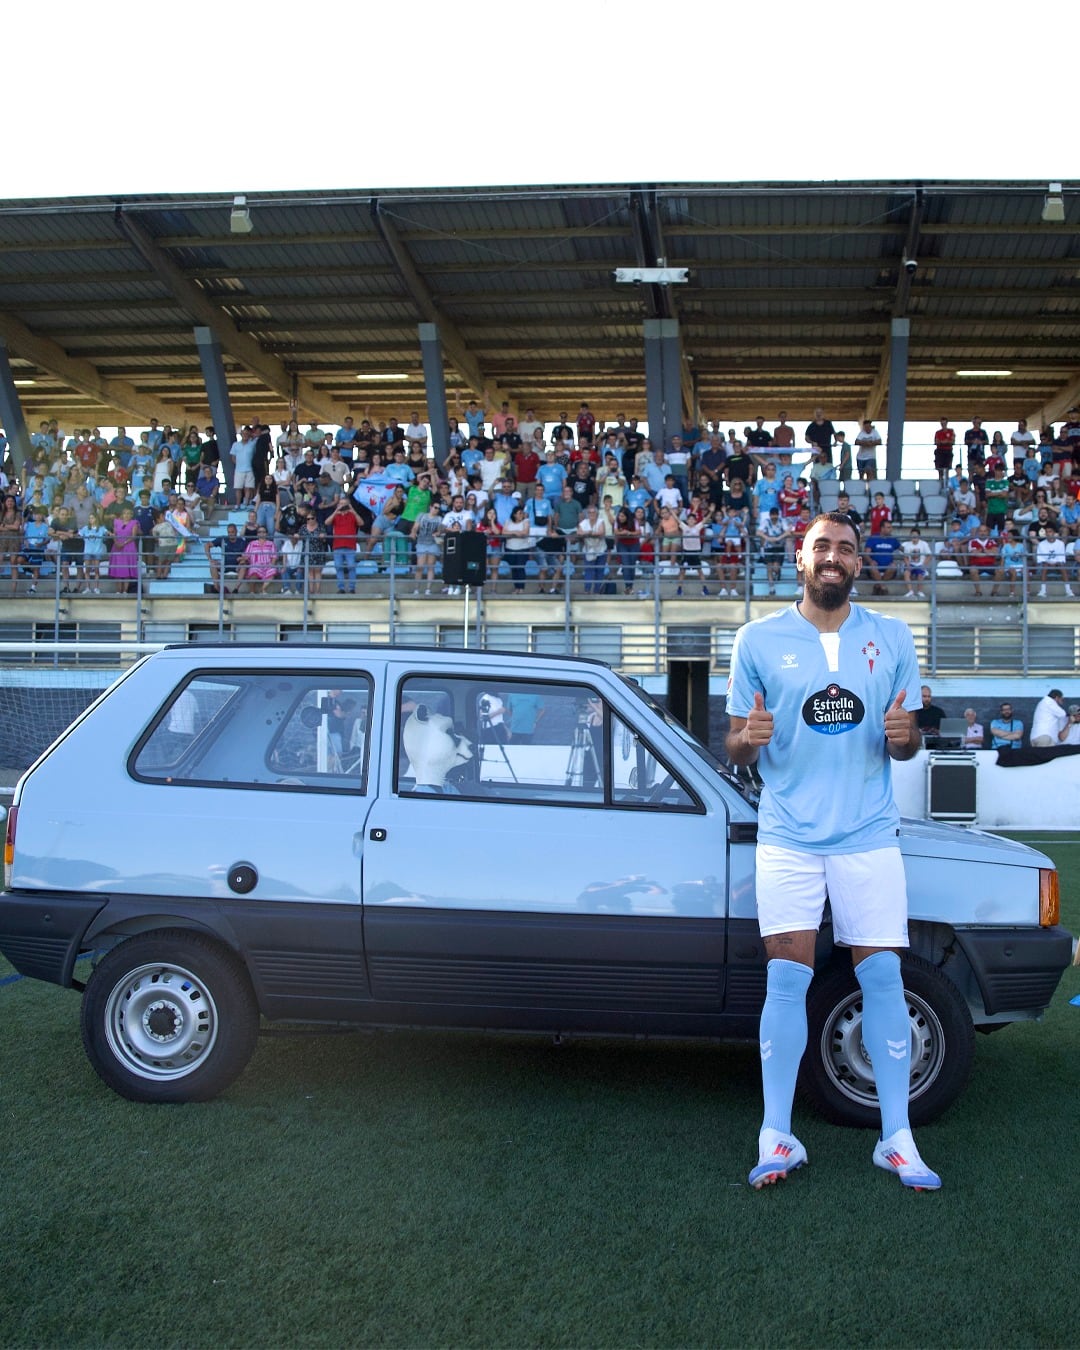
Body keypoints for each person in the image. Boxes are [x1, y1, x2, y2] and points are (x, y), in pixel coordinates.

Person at [724, 512, 938, 1191]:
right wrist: (747, 738)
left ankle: (896, 1138)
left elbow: (905, 742)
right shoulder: (757, 639)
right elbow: (733, 741)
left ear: (857, 564)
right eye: (823, 546)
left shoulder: (893, 636)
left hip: (869, 833)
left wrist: (906, 735)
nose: (834, 557)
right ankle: (776, 1135)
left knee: (882, 978)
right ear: (801, 558)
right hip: (787, 835)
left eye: (846, 548)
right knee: (787, 979)